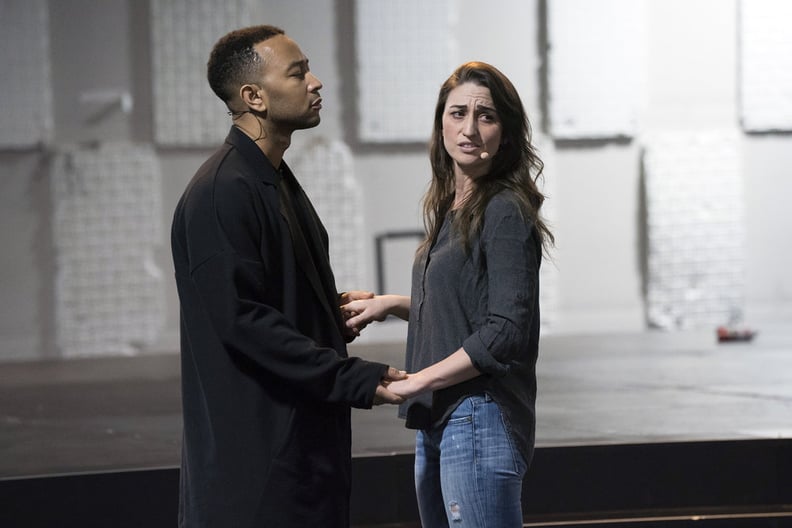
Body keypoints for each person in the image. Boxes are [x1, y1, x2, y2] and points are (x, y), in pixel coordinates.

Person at [170, 25, 405, 527]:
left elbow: (267, 296)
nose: (315, 82)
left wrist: (326, 308)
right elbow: (243, 321)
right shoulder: (222, 192)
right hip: (258, 478)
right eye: (297, 73)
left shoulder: (271, 178)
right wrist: (353, 377)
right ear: (254, 96)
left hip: (298, 458)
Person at [343, 62, 554, 527]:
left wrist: (418, 380)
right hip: (443, 417)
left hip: (477, 416)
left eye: (487, 116)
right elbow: (463, 306)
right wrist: (390, 304)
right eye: (458, 113)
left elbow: (504, 331)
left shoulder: (504, 210)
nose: (470, 129)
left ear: (507, 133)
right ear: (441, 123)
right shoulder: (454, 206)